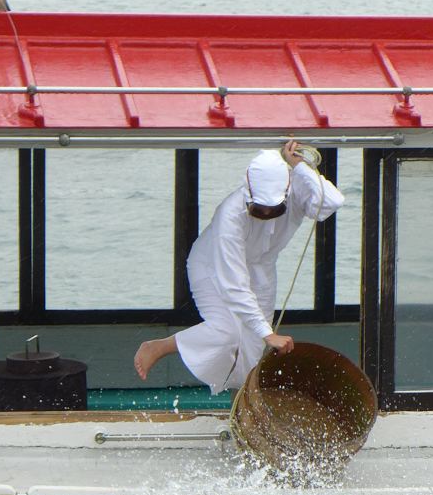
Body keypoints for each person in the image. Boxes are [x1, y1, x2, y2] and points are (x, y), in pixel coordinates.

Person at [133, 141, 343, 392]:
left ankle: (240, 408)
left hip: (262, 268)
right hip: (212, 265)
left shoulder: (294, 190)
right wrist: (269, 334)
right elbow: (234, 284)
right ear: (248, 192)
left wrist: (299, 166)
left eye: (274, 209)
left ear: (286, 191)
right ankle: (160, 346)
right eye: (259, 209)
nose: (266, 214)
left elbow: (331, 201)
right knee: (228, 334)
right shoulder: (229, 215)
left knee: (252, 350)